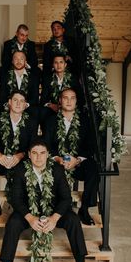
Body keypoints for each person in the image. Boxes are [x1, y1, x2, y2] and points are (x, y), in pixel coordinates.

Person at [0, 138, 91, 262]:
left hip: (53, 211)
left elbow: (65, 198)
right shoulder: (21, 169)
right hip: (29, 211)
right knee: (13, 223)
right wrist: (30, 218)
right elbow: (16, 198)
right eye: (34, 153)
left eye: (42, 153)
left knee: (73, 220)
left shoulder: (56, 169)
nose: (38, 157)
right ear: (28, 155)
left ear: (48, 154)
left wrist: (55, 218)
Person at [44, 88, 98, 225]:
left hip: (77, 162)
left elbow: (90, 145)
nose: (68, 101)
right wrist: (57, 158)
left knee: (93, 168)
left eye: (72, 98)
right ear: (60, 101)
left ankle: (84, 209)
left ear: (76, 101)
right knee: (51, 170)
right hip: (58, 162)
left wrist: (77, 159)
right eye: (65, 98)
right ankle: (58, 209)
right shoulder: (50, 121)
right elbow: (46, 144)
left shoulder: (85, 121)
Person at [0, 90, 38, 222]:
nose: (18, 103)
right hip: (2, 161)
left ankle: (21, 208)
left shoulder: (31, 122)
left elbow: (33, 147)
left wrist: (20, 156)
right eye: (15, 100)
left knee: (27, 167)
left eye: (22, 101)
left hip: (20, 163)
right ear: (9, 103)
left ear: (25, 105)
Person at [40, 54, 84, 129]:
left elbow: (80, 98)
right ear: (53, 65)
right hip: (54, 109)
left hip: (70, 109)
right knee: (44, 113)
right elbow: (43, 100)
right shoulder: (48, 79)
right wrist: (51, 105)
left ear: (65, 64)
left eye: (61, 62)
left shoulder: (73, 78)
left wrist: (69, 108)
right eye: (56, 63)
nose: (58, 65)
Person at [0, 50, 40, 121]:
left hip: (27, 109)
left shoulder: (33, 77)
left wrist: (25, 105)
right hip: (10, 109)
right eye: (16, 59)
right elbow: (2, 97)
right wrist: (11, 106)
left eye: (21, 59)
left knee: (35, 113)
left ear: (25, 62)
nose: (19, 61)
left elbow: (35, 98)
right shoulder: (5, 76)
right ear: (12, 61)